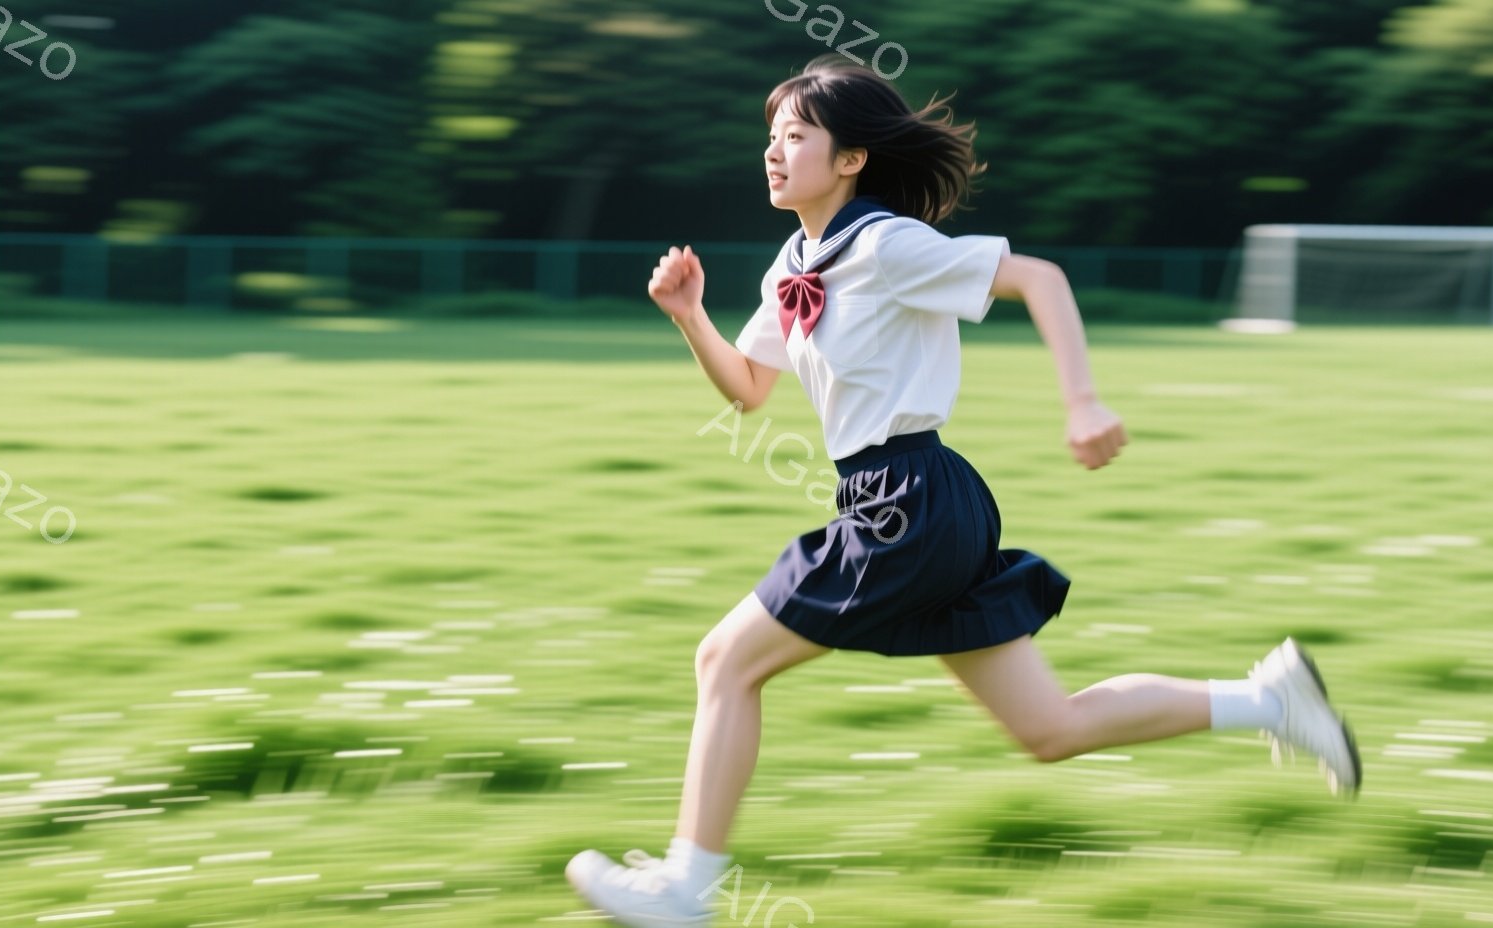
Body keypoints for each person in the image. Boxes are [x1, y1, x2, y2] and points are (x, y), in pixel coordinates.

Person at [565, 54, 1361, 928]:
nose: (774, 151)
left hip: (903, 501)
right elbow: (750, 389)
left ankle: (688, 890)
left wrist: (1083, 401)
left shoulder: (884, 244)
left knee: (724, 661)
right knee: (1049, 730)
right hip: (910, 501)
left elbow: (1040, 279)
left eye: (797, 136)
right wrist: (690, 318)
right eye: (771, 137)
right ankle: (1273, 700)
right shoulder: (798, 262)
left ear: (852, 158)